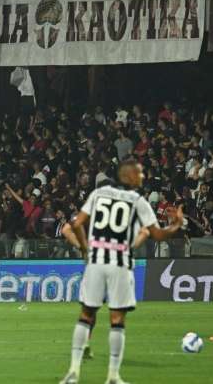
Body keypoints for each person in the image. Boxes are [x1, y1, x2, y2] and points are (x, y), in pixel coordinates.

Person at [59, 160, 183, 384]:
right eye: (140, 173)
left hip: (96, 261)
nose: (142, 177)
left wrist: (87, 250)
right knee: (117, 319)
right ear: (129, 176)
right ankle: (113, 376)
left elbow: (76, 224)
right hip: (120, 262)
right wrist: (176, 225)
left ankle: (73, 372)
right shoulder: (138, 201)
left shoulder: (99, 193)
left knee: (86, 315)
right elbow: (157, 235)